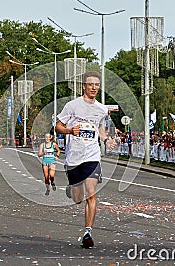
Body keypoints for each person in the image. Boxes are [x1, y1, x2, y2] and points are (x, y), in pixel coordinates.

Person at [55, 71, 116, 249]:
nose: (94, 87)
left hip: (92, 156)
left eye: (97, 85)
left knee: (91, 192)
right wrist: (69, 131)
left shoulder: (102, 109)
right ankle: (72, 188)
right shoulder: (72, 106)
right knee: (78, 198)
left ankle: (87, 232)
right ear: (84, 86)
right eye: (90, 84)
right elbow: (58, 126)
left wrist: (106, 140)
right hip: (74, 157)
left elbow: (99, 128)